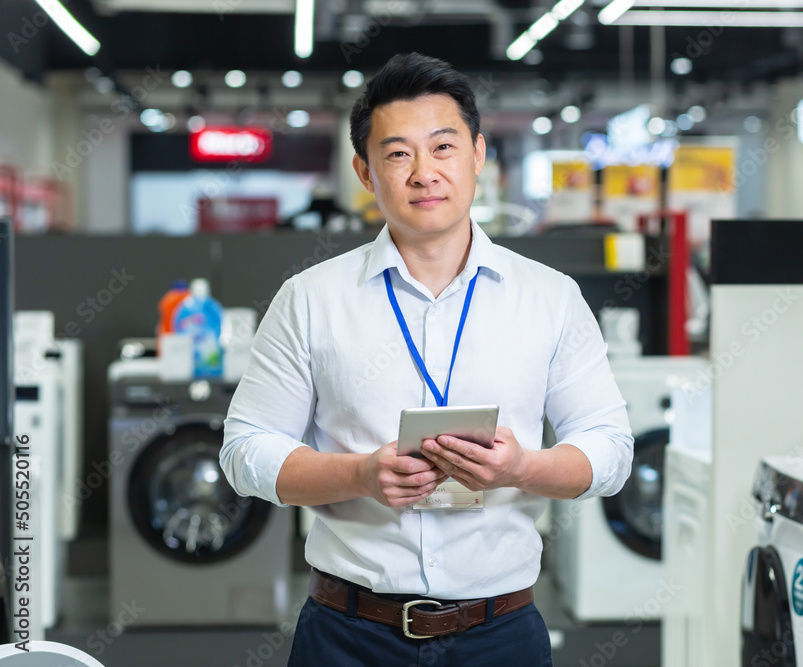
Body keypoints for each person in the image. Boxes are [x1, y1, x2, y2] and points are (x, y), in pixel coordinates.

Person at [220, 52, 633, 667]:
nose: (423, 173)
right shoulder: (311, 299)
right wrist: (358, 475)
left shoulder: (550, 298)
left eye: (442, 147)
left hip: (501, 635)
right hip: (347, 635)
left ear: (478, 155)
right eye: (397, 154)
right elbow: (245, 452)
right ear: (365, 172)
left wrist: (522, 467)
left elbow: (611, 451)